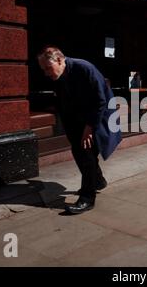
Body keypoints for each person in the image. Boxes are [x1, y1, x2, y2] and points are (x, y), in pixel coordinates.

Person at [38, 46, 121, 214]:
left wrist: (89, 129)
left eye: (48, 68)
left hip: (96, 118)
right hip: (76, 121)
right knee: (80, 153)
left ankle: (87, 198)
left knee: (86, 155)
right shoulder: (59, 76)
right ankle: (98, 181)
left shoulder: (84, 68)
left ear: (59, 60)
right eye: (43, 69)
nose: (46, 73)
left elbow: (100, 101)